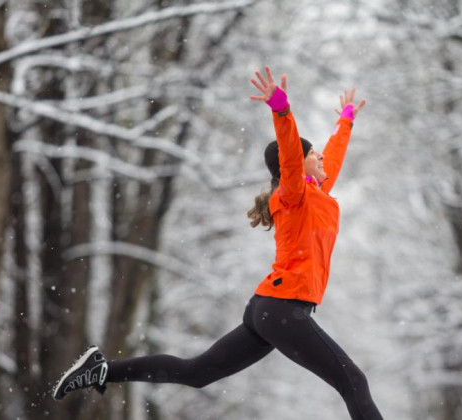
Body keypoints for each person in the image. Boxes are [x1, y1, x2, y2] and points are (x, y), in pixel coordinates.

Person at [52, 65, 382, 419]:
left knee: (197, 373)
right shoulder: (293, 195)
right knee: (354, 383)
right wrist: (281, 109)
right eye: (313, 153)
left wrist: (346, 120)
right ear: (299, 166)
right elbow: (290, 152)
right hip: (284, 309)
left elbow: (331, 156)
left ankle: (103, 369)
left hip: (268, 310)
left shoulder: (316, 193)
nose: (321, 157)